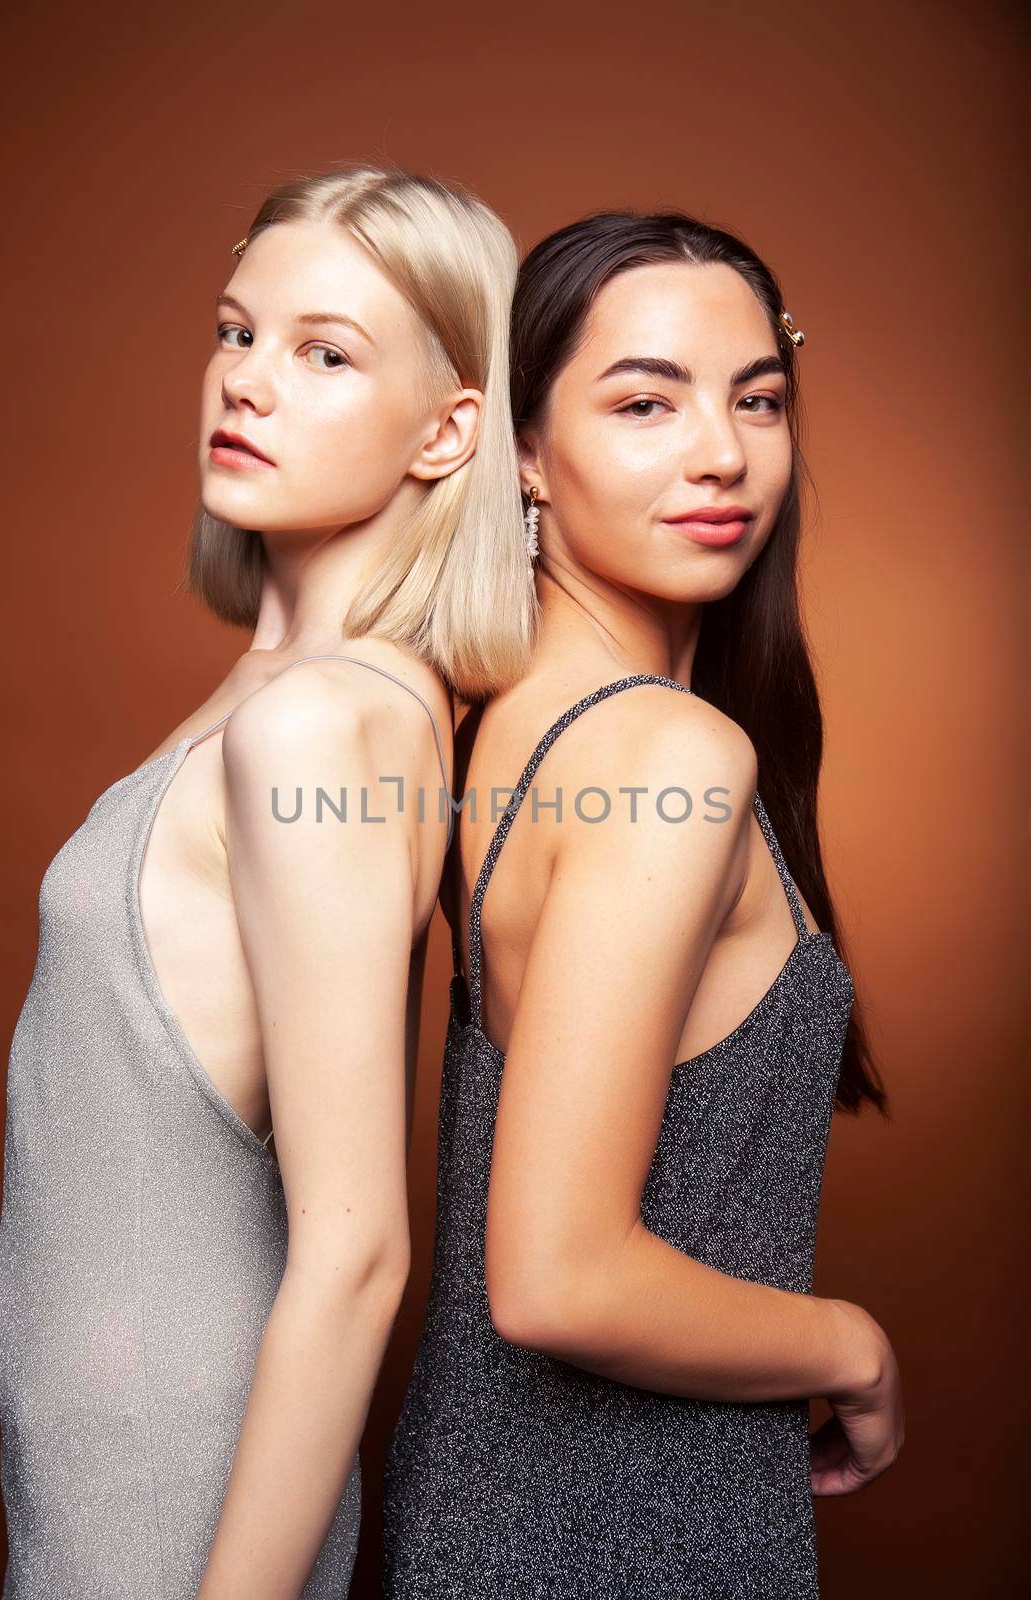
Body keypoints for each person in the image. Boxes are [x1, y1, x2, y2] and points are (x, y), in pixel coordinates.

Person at [0, 162, 536, 1600]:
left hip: (177, 1479)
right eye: (236, 333)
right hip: (94, 1447)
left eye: (324, 353)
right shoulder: (272, 688)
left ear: (448, 430)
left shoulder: (328, 719)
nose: (248, 382)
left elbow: (355, 1250)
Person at [382, 210, 904, 1598]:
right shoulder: (668, 754)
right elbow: (557, 1279)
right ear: (528, 456)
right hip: (617, 1533)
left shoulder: (500, 724)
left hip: (489, 1505)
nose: (723, 452)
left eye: (758, 398)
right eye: (646, 401)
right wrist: (850, 1344)